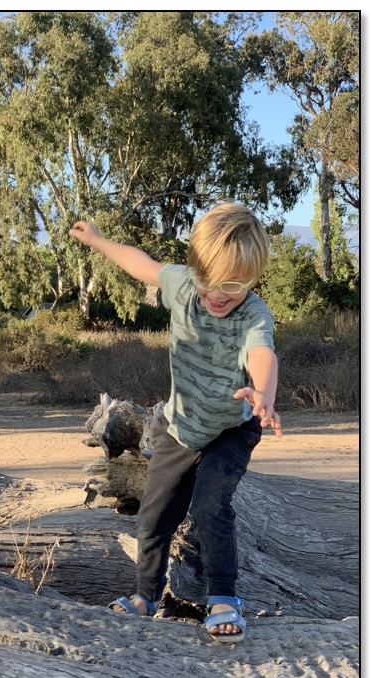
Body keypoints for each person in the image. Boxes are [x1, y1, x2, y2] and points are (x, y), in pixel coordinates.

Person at [69, 202, 283, 643]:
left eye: (233, 285)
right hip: (179, 425)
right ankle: (145, 596)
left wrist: (264, 393)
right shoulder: (184, 285)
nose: (218, 294)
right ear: (194, 267)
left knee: (209, 507)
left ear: (254, 277)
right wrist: (98, 240)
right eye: (209, 282)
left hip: (231, 430)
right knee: (154, 516)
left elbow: (262, 353)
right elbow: (142, 265)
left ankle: (223, 597)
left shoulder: (253, 314)